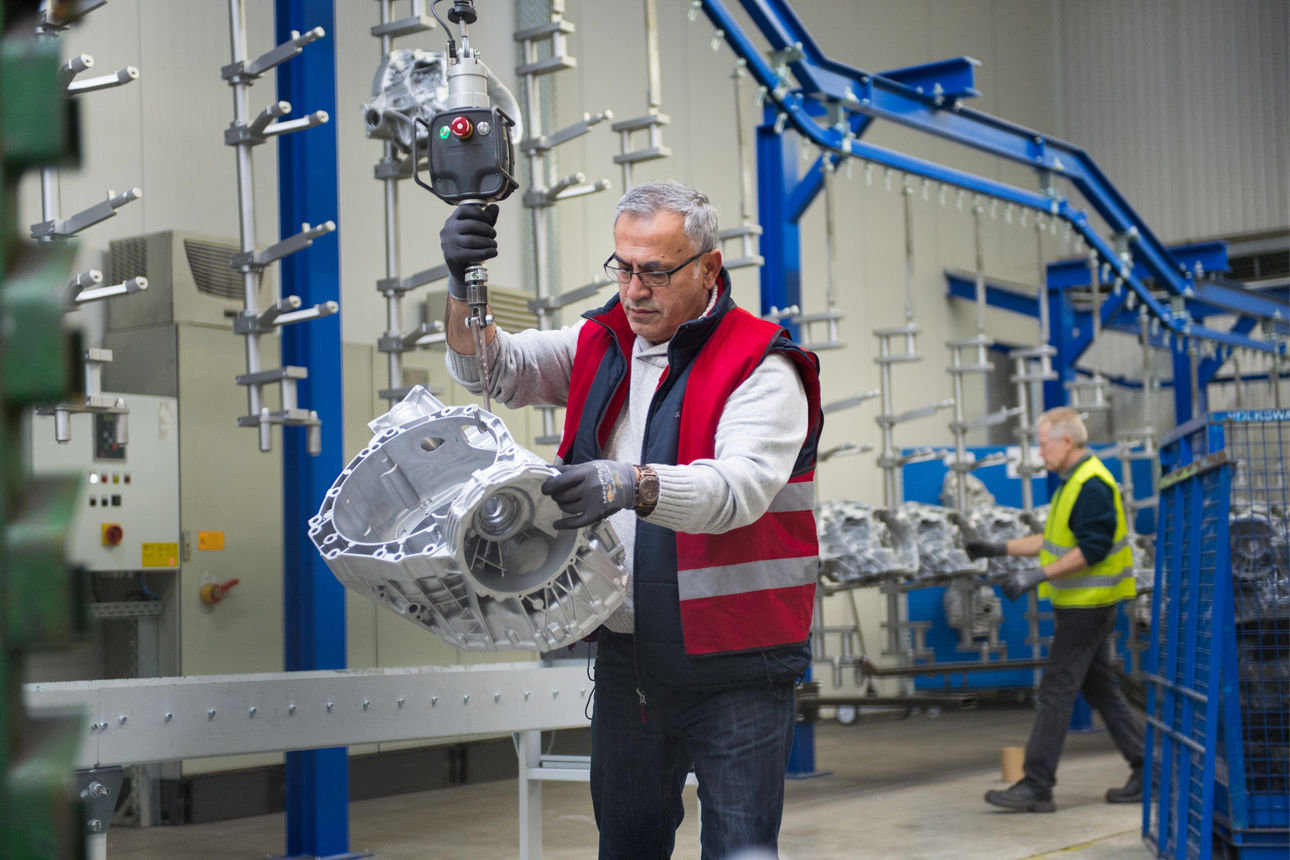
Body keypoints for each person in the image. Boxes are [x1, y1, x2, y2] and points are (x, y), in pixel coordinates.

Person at [439, 180, 823, 858]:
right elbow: (491, 371)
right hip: (631, 660)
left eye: (655, 271)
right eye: (623, 267)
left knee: (739, 847)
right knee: (627, 844)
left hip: (737, 665)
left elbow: (738, 491)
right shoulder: (604, 339)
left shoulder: (763, 366)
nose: (635, 290)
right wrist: (461, 285)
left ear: (708, 267)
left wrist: (632, 483)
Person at [966, 406, 1144, 813]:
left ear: (1066, 441)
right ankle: (1145, 766)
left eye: (1043, 444)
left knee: (1056, 691)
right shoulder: (1073, 481)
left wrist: (1036, 576)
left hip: (1089, 604)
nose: (1039, 453)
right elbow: (1053, 538)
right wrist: (997, 549)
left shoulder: (1092, 483)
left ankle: (1037, 784)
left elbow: (1093, 550)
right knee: (1101, 689)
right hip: (1081, 603)